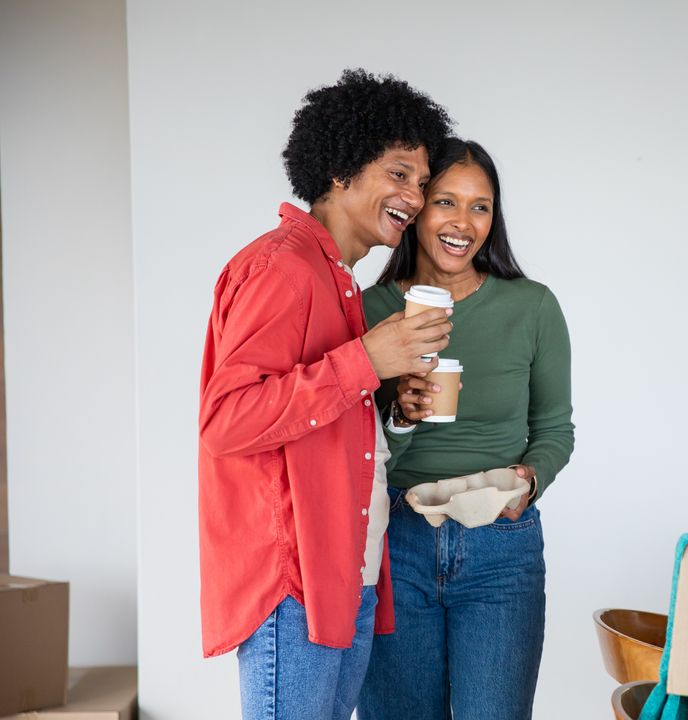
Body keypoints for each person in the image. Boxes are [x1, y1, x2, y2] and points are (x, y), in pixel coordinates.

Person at [197, 69, 454, 720]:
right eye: (399, 174)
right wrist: (366, 360)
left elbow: (320, 418)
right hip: (295, 583)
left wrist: (391, 401)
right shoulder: (282, 267)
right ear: (341, 170)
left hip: (345, 575)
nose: (415, 198)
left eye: (422, 184)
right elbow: (227, 421)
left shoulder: (337, 282)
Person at [358, 139, 575, 719]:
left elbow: (556, 428)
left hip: (501, 543)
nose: (463, 222)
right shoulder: (368, 311)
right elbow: (348, 444)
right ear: (416, 208)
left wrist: (531, 480)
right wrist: (400, 415)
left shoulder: (532, 308)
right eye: (445, 202)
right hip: (395, 540)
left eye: (480, 207)